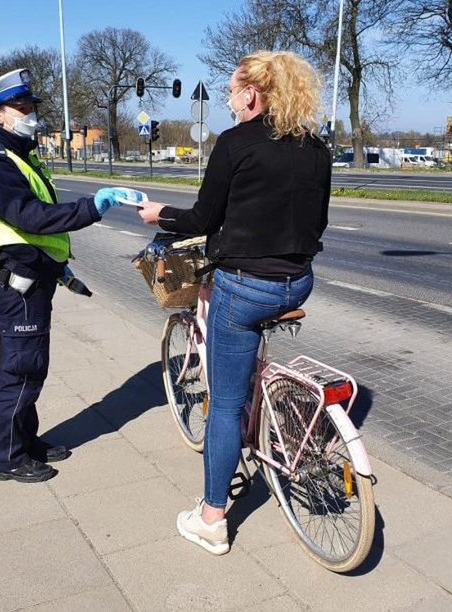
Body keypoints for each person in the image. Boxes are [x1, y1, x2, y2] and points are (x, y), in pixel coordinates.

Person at [138, 51, 330, 554]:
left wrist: (161, 214)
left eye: (231, 92)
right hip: (298, 281)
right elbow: (316, 223)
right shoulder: (317, 147)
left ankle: (211, 518)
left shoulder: (236, 143)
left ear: (252, 92)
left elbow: (202, 217)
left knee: (223, 403)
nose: (228, 101)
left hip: (247, 287)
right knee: (243, 345)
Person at [0, 68, 124, 483]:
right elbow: (30, 217)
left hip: (33, 276)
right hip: (17, 283)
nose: (29, 113)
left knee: (32, 365)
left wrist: (59, 266)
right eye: (21, 107)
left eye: (31, 106)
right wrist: (92, 208)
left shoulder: (17, 156)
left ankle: (27, 440)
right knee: (20, 369)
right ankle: (7, 458)